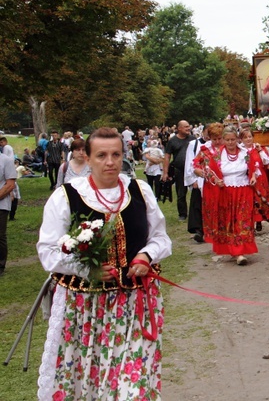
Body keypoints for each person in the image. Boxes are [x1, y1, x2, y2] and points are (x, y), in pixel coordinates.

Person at [36, 127, 171, 399]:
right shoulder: (66, 196)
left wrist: (146, 255)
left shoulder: (139, 190)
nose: (110, 162)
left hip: (134, 304)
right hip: (83, 308)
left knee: (133, 388)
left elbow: (160, 238)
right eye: (101, 155)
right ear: (87, 158)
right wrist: (89, 269)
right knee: (85, 381)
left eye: (116, 154)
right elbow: (48, 251)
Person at [193, 124, 258, 264]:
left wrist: (253, 177)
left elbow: (253, 168)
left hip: (243, 190)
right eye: (227, 140)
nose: (230, 143)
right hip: (225, 192)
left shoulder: (245, 153)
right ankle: (235, 251)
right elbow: (206, 171)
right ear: (223, 140)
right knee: (229, 221)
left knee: (242, 219)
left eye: (233, 139)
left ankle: (240, 251)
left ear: (237, 139)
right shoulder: (216, 155)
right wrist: (215, 180)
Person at [240, 128, 269, 232]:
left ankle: (259, 220)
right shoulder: (240, 150)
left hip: (260, 178)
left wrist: (260, 150)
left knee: (260, 198)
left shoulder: (259, 148)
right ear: (241, 139)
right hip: (246, 178)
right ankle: (250, 221)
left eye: (250, 136)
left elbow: (267, 161)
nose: (248, 139)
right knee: (248, 200)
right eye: (245, 137)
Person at [162, 120, 194, 221]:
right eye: (185, 127)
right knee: (181, 193)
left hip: (193, 170)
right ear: (179, 128)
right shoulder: (172, 141)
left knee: (196, 192)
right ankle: (183, 214)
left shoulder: (193, 139)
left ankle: (196, 213)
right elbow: (167, 157)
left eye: (188, 126)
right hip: (179, 170)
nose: (188, 128)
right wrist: (165, 172)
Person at [184, 128, 207, 243]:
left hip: (211, 179)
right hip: (198, 178)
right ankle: (199, 229)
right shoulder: (194, 144)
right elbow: (190, 162)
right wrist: (192, 180)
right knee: (198, 205)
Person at [0, 153, 17, 276]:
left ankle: (0, 265)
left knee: (0, 235)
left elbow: (10, 184)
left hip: (1, 205)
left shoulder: (5, 160)